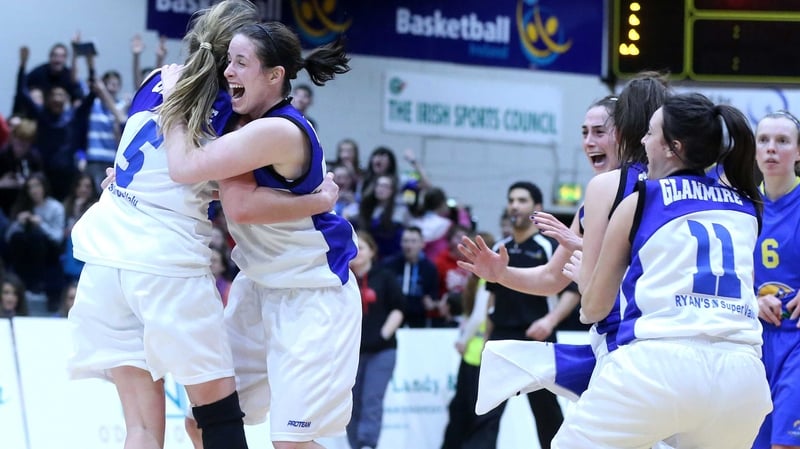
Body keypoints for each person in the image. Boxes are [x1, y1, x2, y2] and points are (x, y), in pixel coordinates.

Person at [66, 3, 337, 449]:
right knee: (218, 419)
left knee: (141, 429)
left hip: (104, 255)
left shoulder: (157, 78)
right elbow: (229, 194)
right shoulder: (237, 108)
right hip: (165, 264)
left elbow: (145, 163)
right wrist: (319, 200)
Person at [160, 20, 359, 449]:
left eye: (240, 62)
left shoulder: (278, 130)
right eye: (228, 61)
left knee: (290, 443)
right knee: (206, 422)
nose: (228, 71)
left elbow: (229, 199)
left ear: (274, 75)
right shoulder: (240, 121)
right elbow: (207, 184)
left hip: (312, 294)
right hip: (257, 287)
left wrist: (173, 102)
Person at [553, 92, 771, 448]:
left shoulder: (642, 198)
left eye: (650, 133)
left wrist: (584, 280)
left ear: (673, 147)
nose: (642, 140)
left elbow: (593, 309)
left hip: (661, 366)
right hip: (743, 379)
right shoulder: (748, 206)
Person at [460, 77, 670, 414]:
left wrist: (586, 253)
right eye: (584, 132)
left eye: (599, 132)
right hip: (623, 342)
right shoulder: (597, 199)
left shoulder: (652, 187)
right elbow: (550, 278)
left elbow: (638, 271)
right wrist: (500, 274)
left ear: (623, 132)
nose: (589, 142)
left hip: (634, 340)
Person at [466, 181, 564, 449]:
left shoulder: (549, 247)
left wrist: (550, 320)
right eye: (511, 200)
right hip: (502, 337)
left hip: (537, 338)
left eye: (522, 200)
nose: (514, 206)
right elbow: (491, 299)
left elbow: (571, 292)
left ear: (537, 207)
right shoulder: (500, 247)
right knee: (486, 409)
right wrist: (484, 338)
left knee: (546, 411)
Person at [751, 110, 800, 449]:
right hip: (752, 341)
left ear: (798, 152)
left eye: (782, 141)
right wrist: (751, 299)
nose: (771, 148)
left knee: (786, 444)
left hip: (796, 339)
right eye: (764, 140)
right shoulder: (743, 206)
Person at [347, 231, 405, 449]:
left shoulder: (385, 277)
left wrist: (382, 335)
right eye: (353, 247)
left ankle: (367, 443)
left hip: (382, 351)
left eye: (361, 247)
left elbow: (399, 308)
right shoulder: (342, 279)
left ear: (372, 251)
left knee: (372, 398)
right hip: (350, 353)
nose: (357, 252)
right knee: (350, 402)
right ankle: (355, 444)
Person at [381, 226, 440, 328]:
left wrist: (431, 302)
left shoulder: (430, 268)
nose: (409, 245)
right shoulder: (389, 265)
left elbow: (433, 294)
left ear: (422, 244)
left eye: (413, 241)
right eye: (405, 241)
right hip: (392, 316)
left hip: (418, 319)